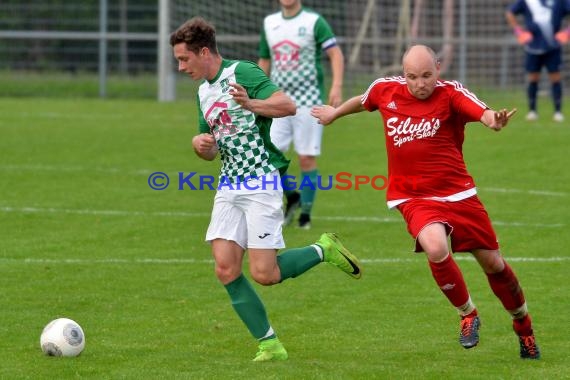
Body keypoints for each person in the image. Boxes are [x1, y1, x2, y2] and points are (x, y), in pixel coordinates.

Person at [311, 44, 540, 359]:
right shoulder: (385, 90)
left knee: (493, 264)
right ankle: (468, 314)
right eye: (413, 77)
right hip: (413, 196)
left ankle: (524, 327)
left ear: (439, 68)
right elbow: (363, 102)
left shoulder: (450, 94)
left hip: (459, 194)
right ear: (403, 74)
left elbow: (482, 113)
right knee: (435, 246)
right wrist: (335, 113)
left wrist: (493, 120)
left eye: (427, 75)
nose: (420, 83)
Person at [170, 17, 362, 362]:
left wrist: (251, 104)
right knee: (225, 268)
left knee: (265, 274)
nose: (180, 66)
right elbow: (213, 146)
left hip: (260, 179)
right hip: (229, 183)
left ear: (202, 52)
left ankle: (322, 249)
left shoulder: (241, 73)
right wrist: (203, 146)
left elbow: (287, 106)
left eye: (184, 59)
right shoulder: (203, 92)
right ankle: (269, 344)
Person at [258, 0, 345, 229]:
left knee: (306, 158)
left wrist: (336, 86)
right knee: (268, 156)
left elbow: (335, 54)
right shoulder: (269, 23)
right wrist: (257, 95)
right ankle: (292, 196)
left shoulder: (314, 21)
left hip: (309, 102)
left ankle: (305, 215)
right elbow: (265, 60)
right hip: (278, 101)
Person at [505, 0, 570, 122]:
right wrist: (519, 32)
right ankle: (532, 111)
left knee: (555, 77)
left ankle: (558, 112)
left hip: (553, 45)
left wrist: (567, 32)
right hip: (533, 46)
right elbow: (510, 13)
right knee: (533, 78)